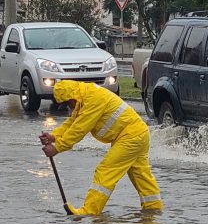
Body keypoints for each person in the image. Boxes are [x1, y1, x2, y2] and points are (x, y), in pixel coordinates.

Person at [39, 81, 162, 216]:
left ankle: (89, 211)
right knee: (140, 175)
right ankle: (153, 209)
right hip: (136, 134)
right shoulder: (83, 97)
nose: (69, 106)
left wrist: (57, 148)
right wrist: (54, 136)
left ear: (72, 96)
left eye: (68, 103)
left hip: (131, 137)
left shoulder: (94, 99)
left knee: (105, 171)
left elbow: (79, 129)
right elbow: (73, 122)